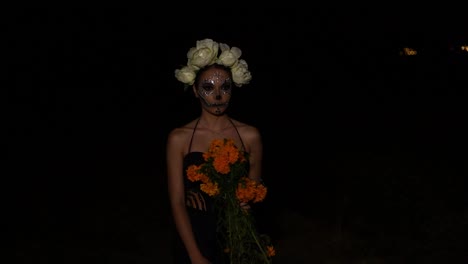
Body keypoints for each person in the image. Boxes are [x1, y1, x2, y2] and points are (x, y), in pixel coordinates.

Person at [166, 38, 263, 264]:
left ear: (233, 89)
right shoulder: (179, 138)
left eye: (225, 87)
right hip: (194, 237)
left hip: (234, 236)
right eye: (208, 87)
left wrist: (248, 201)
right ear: (195, 91)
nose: (218, 96)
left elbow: (254, 189)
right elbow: (177, 202)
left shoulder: (250, 136)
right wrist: (195, 256)